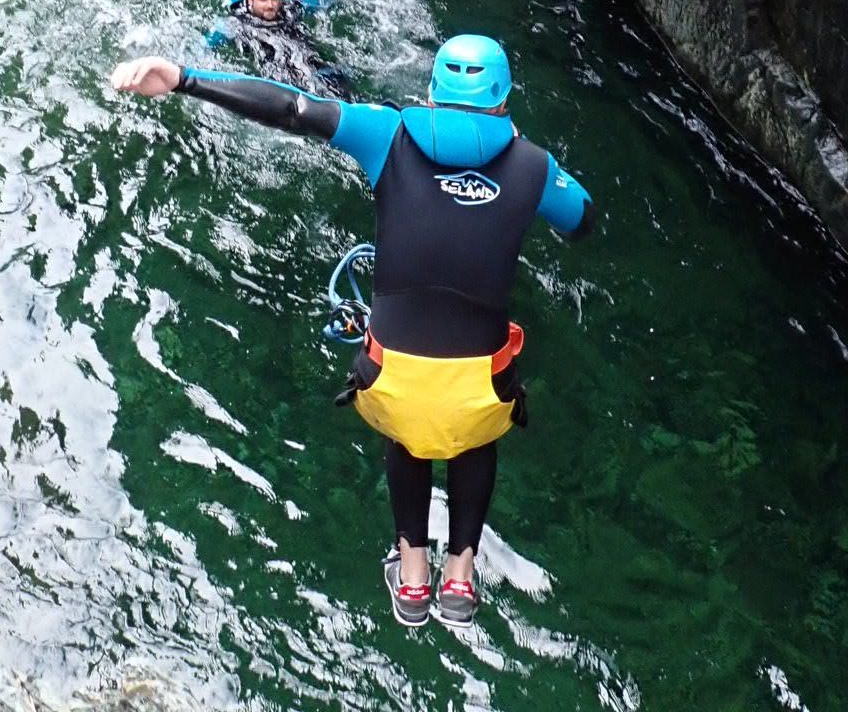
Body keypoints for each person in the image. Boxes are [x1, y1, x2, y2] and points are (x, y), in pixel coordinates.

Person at [109, 33, 593, 630]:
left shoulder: (385, 133)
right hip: (480, 393)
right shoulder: (535, 166)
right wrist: (520, 166)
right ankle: (461, 574)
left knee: (406, 414)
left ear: (433, 92)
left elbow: (290, 108)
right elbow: (582, 220)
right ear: (503, 100)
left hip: (390, 381)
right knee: (474, 422)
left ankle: (413, 574)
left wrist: (182, 77)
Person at [205, 0, 348, 96]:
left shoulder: (291, 8)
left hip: (305, 56)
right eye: (263, 0)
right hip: (277, 69)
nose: (270, 5)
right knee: (302, 83)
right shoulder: (235, 23)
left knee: (335, 79)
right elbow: (205, 44)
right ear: (250, 0)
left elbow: (324, 3)